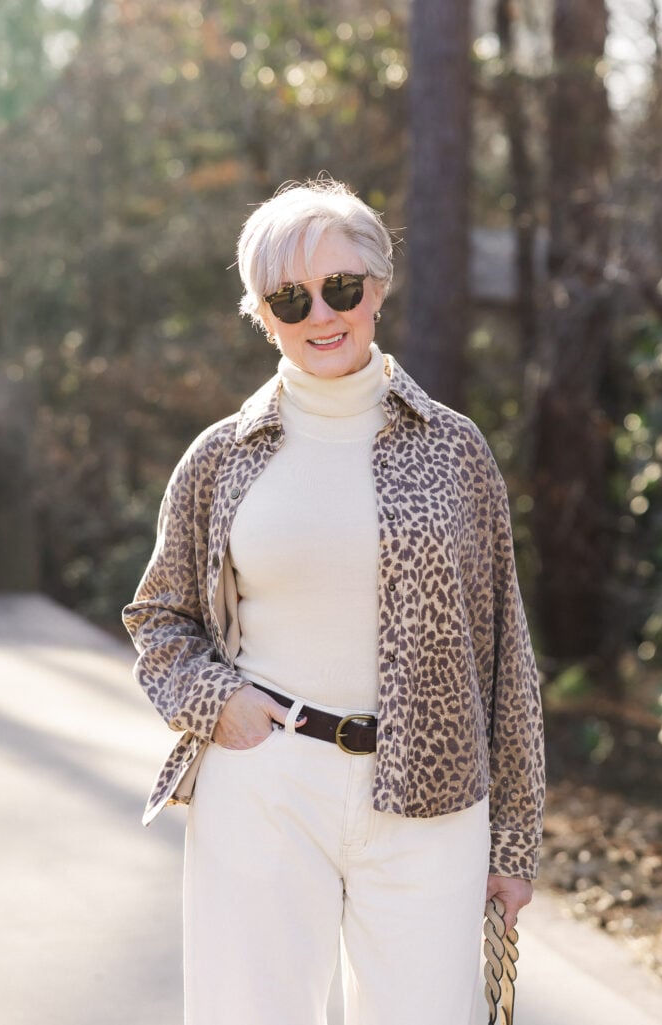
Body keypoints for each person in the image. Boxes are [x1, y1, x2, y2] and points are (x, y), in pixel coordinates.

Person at [122, 177, 545, 1025]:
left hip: (434, 800)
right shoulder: (221, 457)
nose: (321, 312)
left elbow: (505, 657)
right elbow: (159, 617)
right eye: (290, 296)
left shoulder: (454, 449)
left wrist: (513, 842)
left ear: (378, 288)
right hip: (267, 784)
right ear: (262, 312)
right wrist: (221, 705)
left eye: (341, 286)